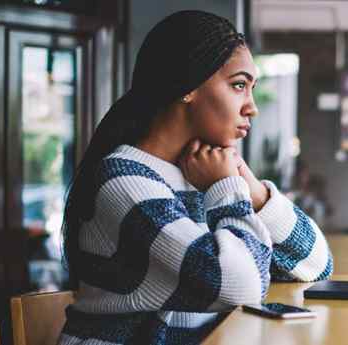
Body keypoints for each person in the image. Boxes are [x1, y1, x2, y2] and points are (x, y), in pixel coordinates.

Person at [58, 10, 333, 345]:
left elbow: (316, 264)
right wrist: (226, 189)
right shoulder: (123, 181)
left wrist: (256, 192)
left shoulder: (202, 175)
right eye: (238, 85)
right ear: (187, 85)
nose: (252, 107)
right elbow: (239, 288)